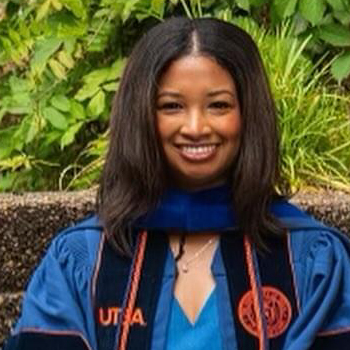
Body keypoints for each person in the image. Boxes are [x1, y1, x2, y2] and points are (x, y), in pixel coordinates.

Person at [4, 17, 350, 350]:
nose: (196, 126)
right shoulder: (83, 261)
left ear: (248, 114)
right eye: (171, 106)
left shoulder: (307, 257)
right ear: (141, 115)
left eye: (218, 105)